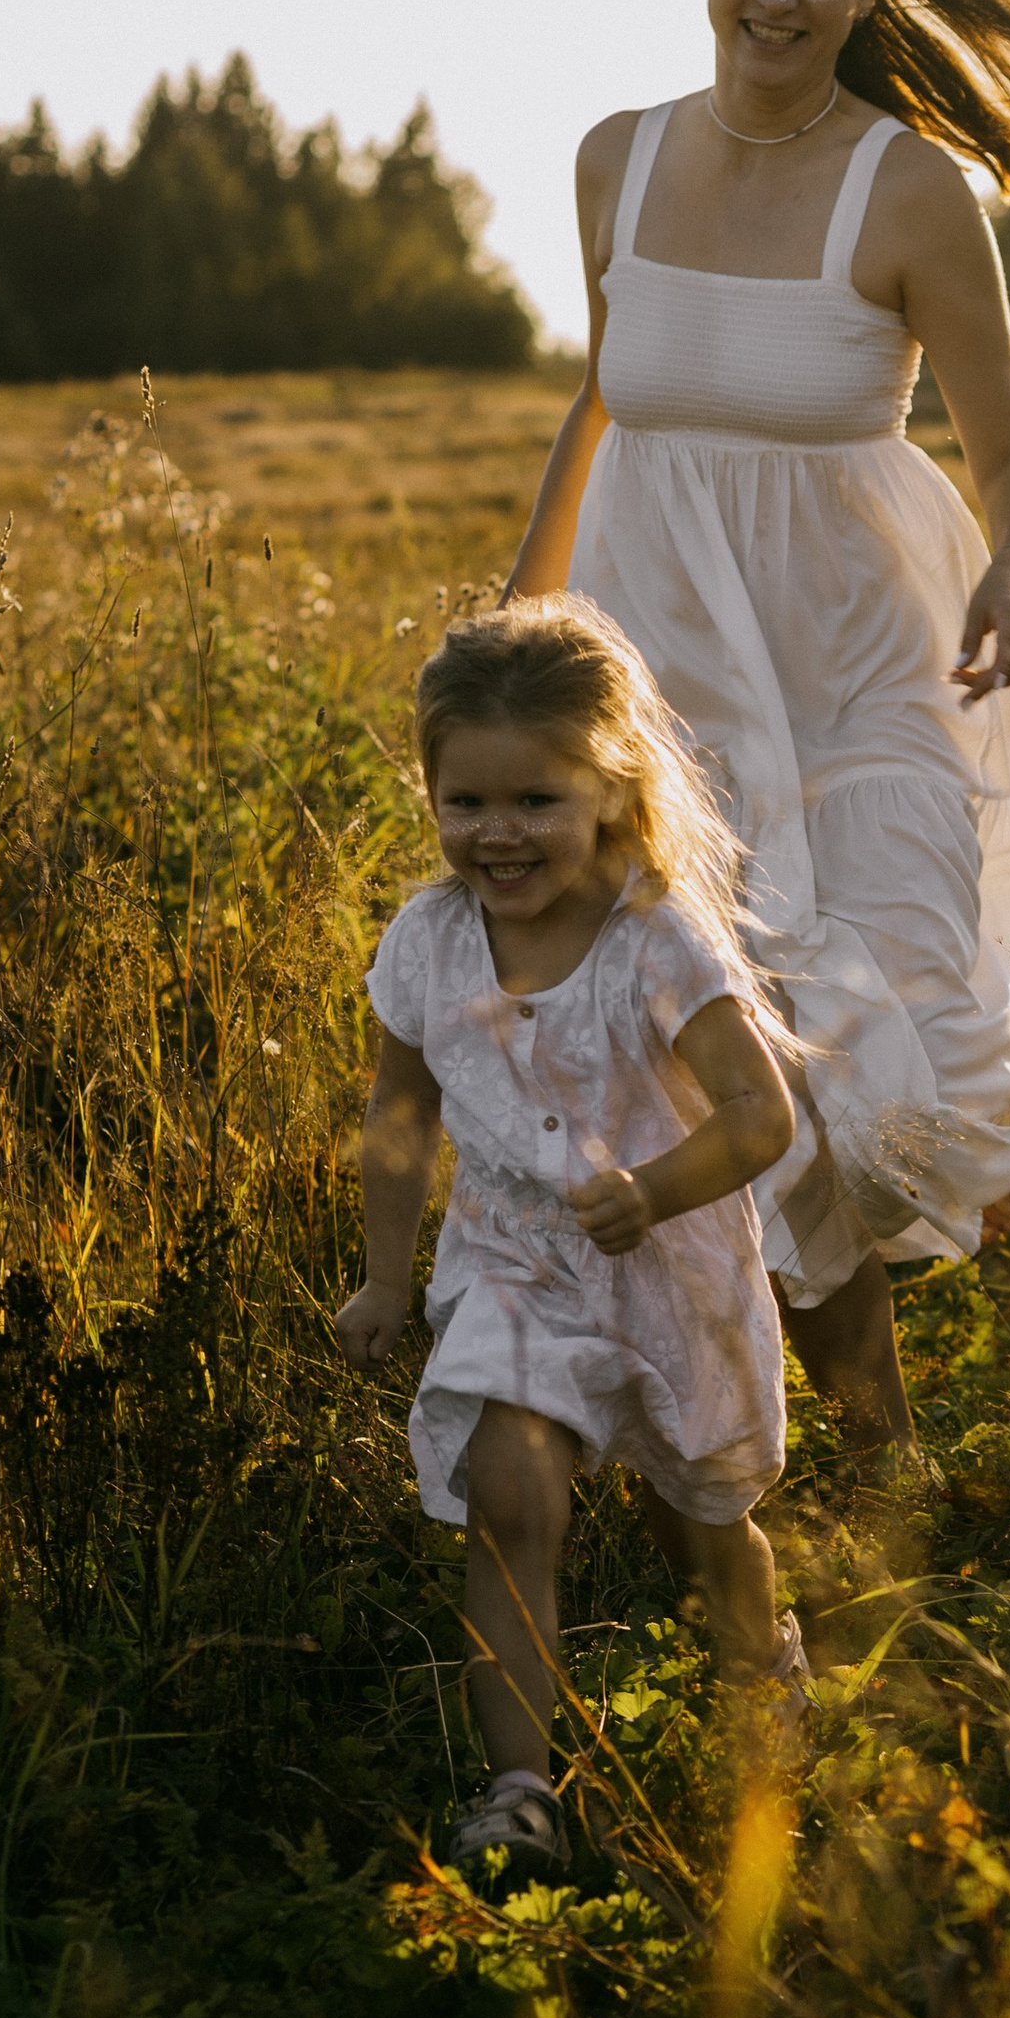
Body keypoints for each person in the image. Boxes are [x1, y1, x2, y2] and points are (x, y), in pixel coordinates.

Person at [505, 0, 1010, 1463]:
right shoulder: (618, 158)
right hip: (665, 689)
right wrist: (515, 632)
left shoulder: (912, 193)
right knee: (753, 1078)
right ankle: (874, 1459)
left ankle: (1006, 1309)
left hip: (873, 681)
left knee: (906, 1070)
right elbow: (607, 396)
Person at [335, 601, 804, 1878]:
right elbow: (398, 1112)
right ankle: (521, 1788)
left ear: (610, 787)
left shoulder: (655, 942)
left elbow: (763, 1114)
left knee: (697, 1519)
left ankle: (765, 1671)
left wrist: (653, 1189)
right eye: (466, 801)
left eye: (536, 800)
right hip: (511, 1270)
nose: (498, 834)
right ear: (430, 795)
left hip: (669, 1274)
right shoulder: (428, 946)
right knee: (512, 1494)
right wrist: (385, 1278)